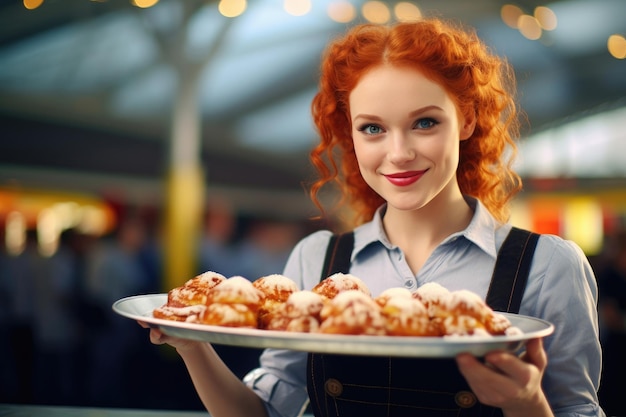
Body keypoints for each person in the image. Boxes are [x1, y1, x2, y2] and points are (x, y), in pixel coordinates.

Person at [141, 18, 604, 417]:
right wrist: (191, 344)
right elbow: (264, 411)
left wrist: (527, 403)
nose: (398, 153)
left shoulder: (548, 266)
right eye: (373, 128)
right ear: (351, 135)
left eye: (425, 122)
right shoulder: (316, 260)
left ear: (465, 119)